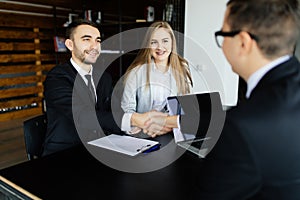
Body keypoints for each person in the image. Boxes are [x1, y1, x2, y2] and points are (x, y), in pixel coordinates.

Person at [149, 0, 300, 198]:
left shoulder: (240, 129)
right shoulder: (286, 89)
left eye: (223, 34)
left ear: (243, 42)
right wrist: (174, 121)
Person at [42, 19, 122, 156]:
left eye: (97, 40)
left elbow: (112, 112)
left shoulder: (104, 78)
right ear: (70, 44)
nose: (94, 46)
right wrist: (131, 120)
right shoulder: (57, 78)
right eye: (86, 39)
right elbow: (82, 116)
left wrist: (134, 126)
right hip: (64, 154)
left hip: (98, 148)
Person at [121, 21, 193, 137]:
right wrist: (145, 125)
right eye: (154, 42)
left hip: (174, 134)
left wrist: (168, 125)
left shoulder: (182, 68)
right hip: (144, 134)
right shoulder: (136, 72)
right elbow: (127, 112)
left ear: (172, 43)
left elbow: (188, 108)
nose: (160, 47)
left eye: (165, 41)